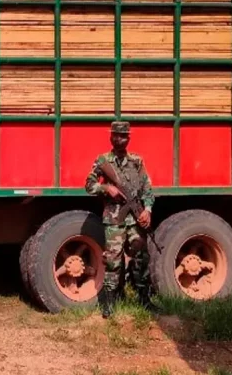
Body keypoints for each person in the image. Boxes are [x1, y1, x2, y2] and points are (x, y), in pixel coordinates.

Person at [85, 121, 157, 318]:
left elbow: (147, 189)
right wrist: (106, 188)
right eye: (116, 135)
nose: (119, 139)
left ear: (128, 138)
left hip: (135, 219)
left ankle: (144, 300)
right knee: (113, 261)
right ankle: (109, 304)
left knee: (141, 257)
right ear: (111, 137)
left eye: (123, 136)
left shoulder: (137, 161)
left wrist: (147, 210)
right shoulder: (103, 161)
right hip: (114, 219)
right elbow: (89, 184)